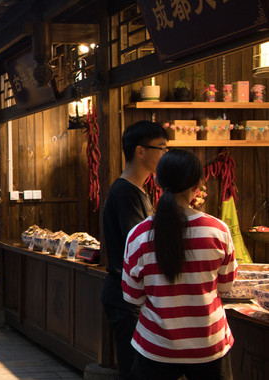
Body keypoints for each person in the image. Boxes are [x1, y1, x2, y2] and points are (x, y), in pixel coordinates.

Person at [122, 149, 237, 380]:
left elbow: (133, 297)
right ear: (197, 185)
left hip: (156, 346)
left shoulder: (139, 235)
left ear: (156, 180)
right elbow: (225, 288)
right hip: (209, 345)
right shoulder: (218, 230)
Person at [100, 120, 169, 380]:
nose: (165, 155)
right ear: (140, 151)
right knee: (134, 370)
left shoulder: (135, 189)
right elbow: (141, 249)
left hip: (126, 292)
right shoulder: (126, 193)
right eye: (161, 148)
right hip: (125, 295)